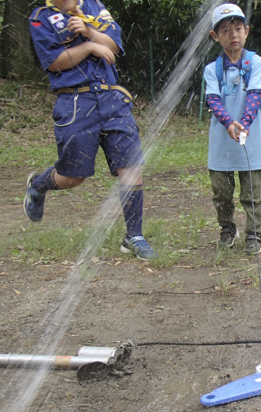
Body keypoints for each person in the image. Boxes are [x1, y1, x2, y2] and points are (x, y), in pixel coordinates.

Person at [25, 0, 156, 260]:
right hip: (75, 102)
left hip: (112, 100)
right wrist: (88, 46)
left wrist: (89, 32)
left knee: (130, 166)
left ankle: (134, 236)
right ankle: (38, 185)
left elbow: (114, 46)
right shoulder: (41, 17)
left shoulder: (94, 6)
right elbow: (54, 63)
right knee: (73, 177)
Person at [204, 3, 261, 254]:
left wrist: (243, 123)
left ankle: (255, 233)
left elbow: (255, 95)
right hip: (221, 139)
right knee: (221, 190)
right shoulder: (212, 69)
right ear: (215, 36)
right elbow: (213, 100)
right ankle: (227, 228)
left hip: (250, 138)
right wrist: (229, 123)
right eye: (225, 30)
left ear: (247, 31)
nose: (233, 35)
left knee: (251, 191)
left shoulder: (256, 63)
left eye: (238, 29)